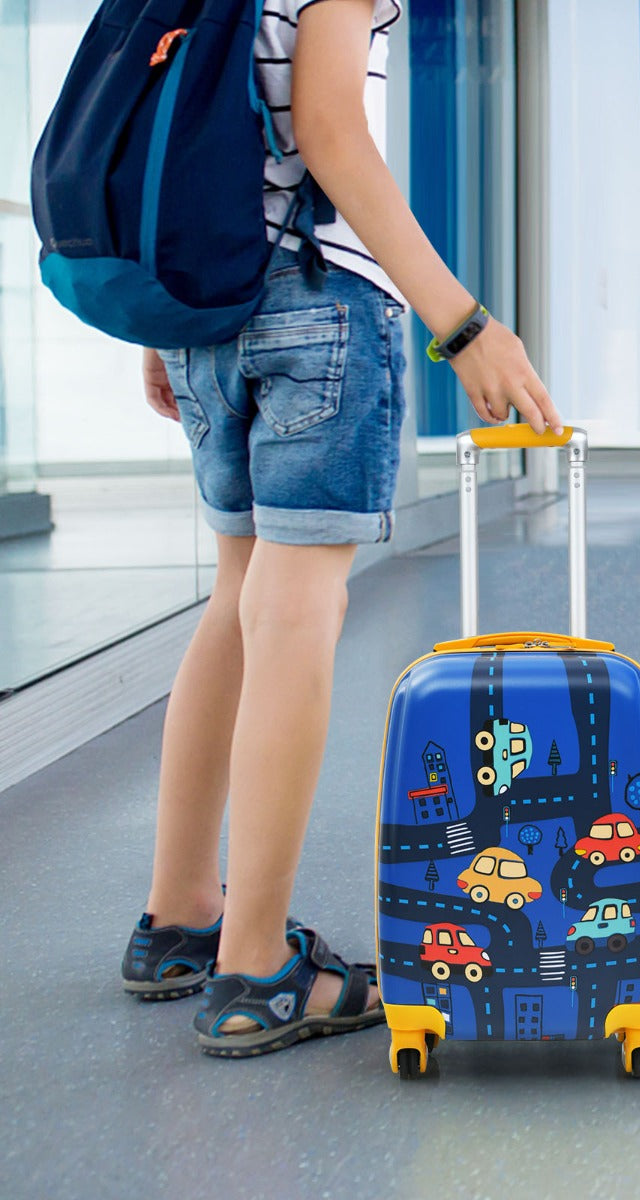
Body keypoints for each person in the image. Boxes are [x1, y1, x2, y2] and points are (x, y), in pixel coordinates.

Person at [122, 0, 563, 1055]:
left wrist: (155, 316)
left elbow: (166, 125)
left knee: (238, 598)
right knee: (294, 613)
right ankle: (259, 965)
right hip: (317, 306)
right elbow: (329, 129)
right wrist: (464, 323)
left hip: (203, 303)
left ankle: (180, 917)